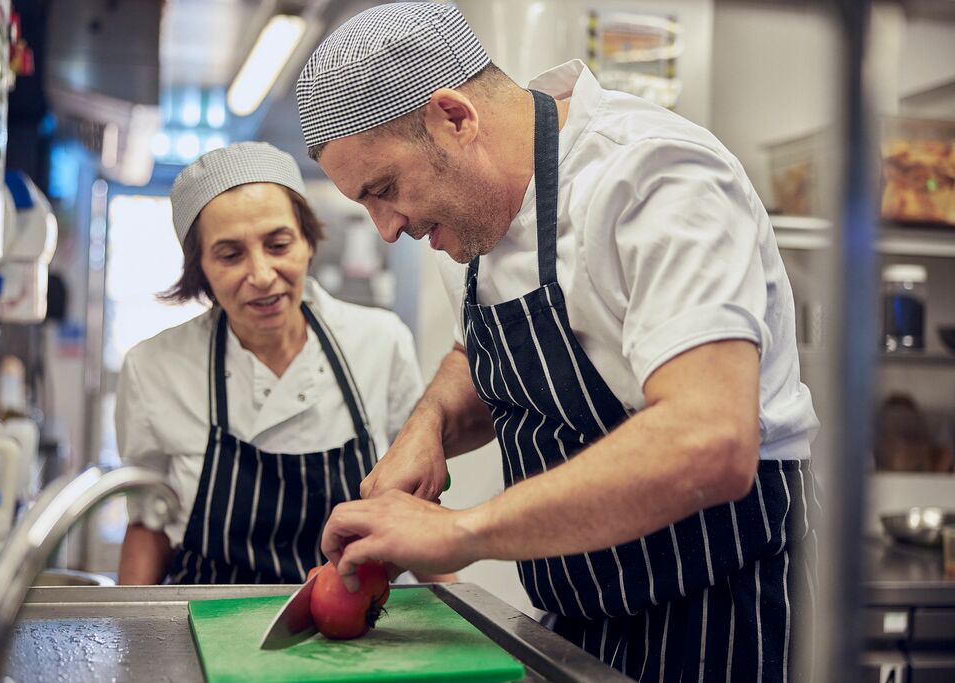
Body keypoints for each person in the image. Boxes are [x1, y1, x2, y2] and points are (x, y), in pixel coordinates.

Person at [297, 4, 821, 681]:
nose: (387, 228)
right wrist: (429, 426)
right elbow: (480, 353)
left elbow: (710, 439)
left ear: (454, 118)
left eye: (385, 190)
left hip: (724, 614)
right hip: (582, 621)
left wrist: (459, 530)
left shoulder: (656, 177)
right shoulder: (473, 215)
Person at [115, 141, 430, 585]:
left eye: (278, 244)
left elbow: (412, 509)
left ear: (307, 242)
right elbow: (149, 522)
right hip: (203, 621)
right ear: (200, 268)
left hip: (356, 622)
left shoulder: (380, 343)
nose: (262, 275)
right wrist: (134, 637)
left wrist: (462, 616)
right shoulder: (154, 368)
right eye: (230, 255)